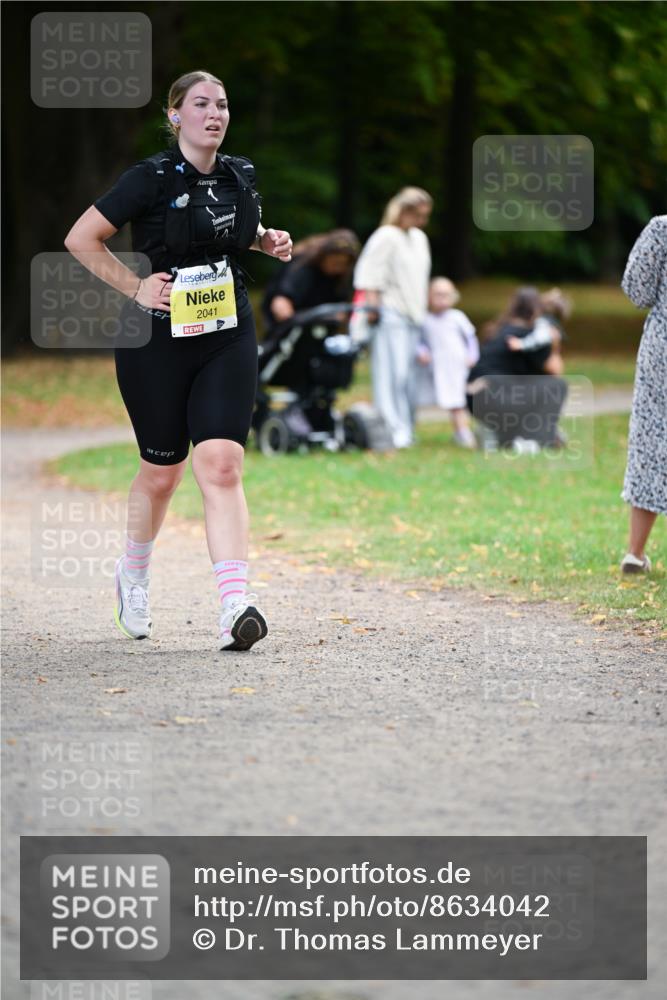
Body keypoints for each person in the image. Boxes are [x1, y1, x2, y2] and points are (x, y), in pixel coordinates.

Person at [64, 70, 293, 650]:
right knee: (162, 473)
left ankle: (234, 604)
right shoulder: (150, 178)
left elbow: (231, 229)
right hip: (157, 339)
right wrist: (135, 286)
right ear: (175, 116)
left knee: (220, 463)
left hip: (227, 331)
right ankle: (133, 574)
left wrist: (264, 239)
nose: (214, 113)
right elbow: (81, 238)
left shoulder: (240, 173)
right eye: (200, 104)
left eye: (221, 104)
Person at [353, 187, 433, 448]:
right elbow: (370, 276)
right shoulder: (386, 236)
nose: (423, 220)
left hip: (413, 315)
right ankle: (391, 429)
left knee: (408, 377)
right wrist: (373, 310)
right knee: (391, 375)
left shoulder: (419, 238)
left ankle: (406, 427)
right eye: (418, 214)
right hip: (390, 314)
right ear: (404, 211)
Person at [619, 215, 667, 573]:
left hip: (661, 351)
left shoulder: (662, 228)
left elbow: (637, 290)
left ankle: (635, 552)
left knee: (651, 445)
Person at [467, 287, 566, 449]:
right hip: (498, 395)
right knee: (556, 386)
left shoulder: (497, 330)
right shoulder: (530, 336)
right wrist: (555, 344)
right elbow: (556, 370)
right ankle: (533, 438)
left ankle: (497, 433)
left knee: (527, 387)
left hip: (474, 398)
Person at [415, 277, 479, 448]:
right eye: (437, 295)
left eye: (446, 295)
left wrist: (472, 355)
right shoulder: (425, 320)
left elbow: (470, 338)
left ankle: (463, 432)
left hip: (456, 365)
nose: (442, 300)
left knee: (456, 400)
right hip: (437, 366)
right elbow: (419, 341)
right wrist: (422, 352)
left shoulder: (457, 317)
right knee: (444, 399)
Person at [261, 228, 360, 332]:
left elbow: (342, 311)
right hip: (290, 326)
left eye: (343, 264)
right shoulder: (302, 267)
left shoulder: (343, 276)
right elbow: (280, 305)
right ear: (324, 256)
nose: (338, 268)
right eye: (335, 263)